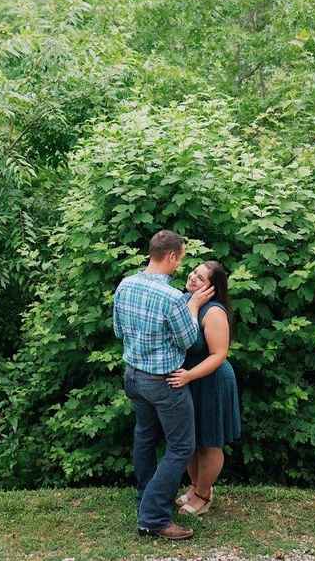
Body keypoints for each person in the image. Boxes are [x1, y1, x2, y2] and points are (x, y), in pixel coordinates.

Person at [113, 230, 215, 542]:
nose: (180, 265)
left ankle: (147, 495)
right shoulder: (172, 298)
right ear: (171, 256)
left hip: (133, 375)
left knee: (145, 435)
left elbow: (119, 331)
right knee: (181, 445)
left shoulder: (125, 284)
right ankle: (153, 518)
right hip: (164, 382)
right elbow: (188, 340)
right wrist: (193, 308)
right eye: (181, 258)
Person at [166, 260, 241, 516]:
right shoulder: (187, 301)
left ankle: (203, 494)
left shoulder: (214, 312)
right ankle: (196, 485)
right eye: (193, 272)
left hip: (211, 381)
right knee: (191, 440)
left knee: (210, 442)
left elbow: (218, 355)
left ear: (212, 287)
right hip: (190, 379)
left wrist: (188, 376)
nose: (193, 278)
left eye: (201, 277)